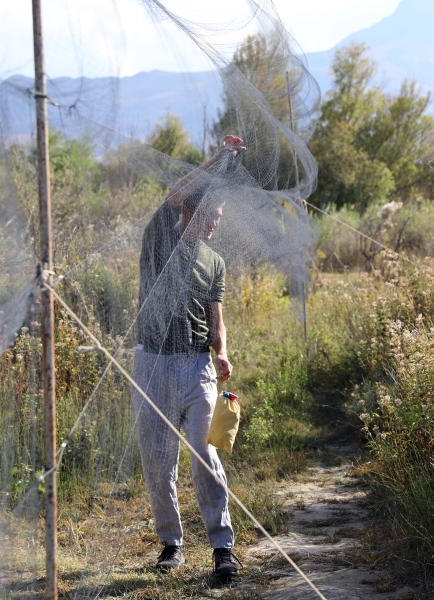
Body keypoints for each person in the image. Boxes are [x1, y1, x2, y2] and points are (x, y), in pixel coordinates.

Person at [131, 134, 245, 578]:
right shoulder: (158, 239)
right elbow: (176, 190)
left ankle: (222, 549)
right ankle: (171, 544)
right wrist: (219, 159)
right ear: (188, 212)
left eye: (219, 216)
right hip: (154, 364)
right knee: (159, 460)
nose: (215, 223)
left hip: (198, 367)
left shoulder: (214, 261)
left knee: (207, 453)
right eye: (211, 215)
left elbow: (216, 316)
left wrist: (222, 353)